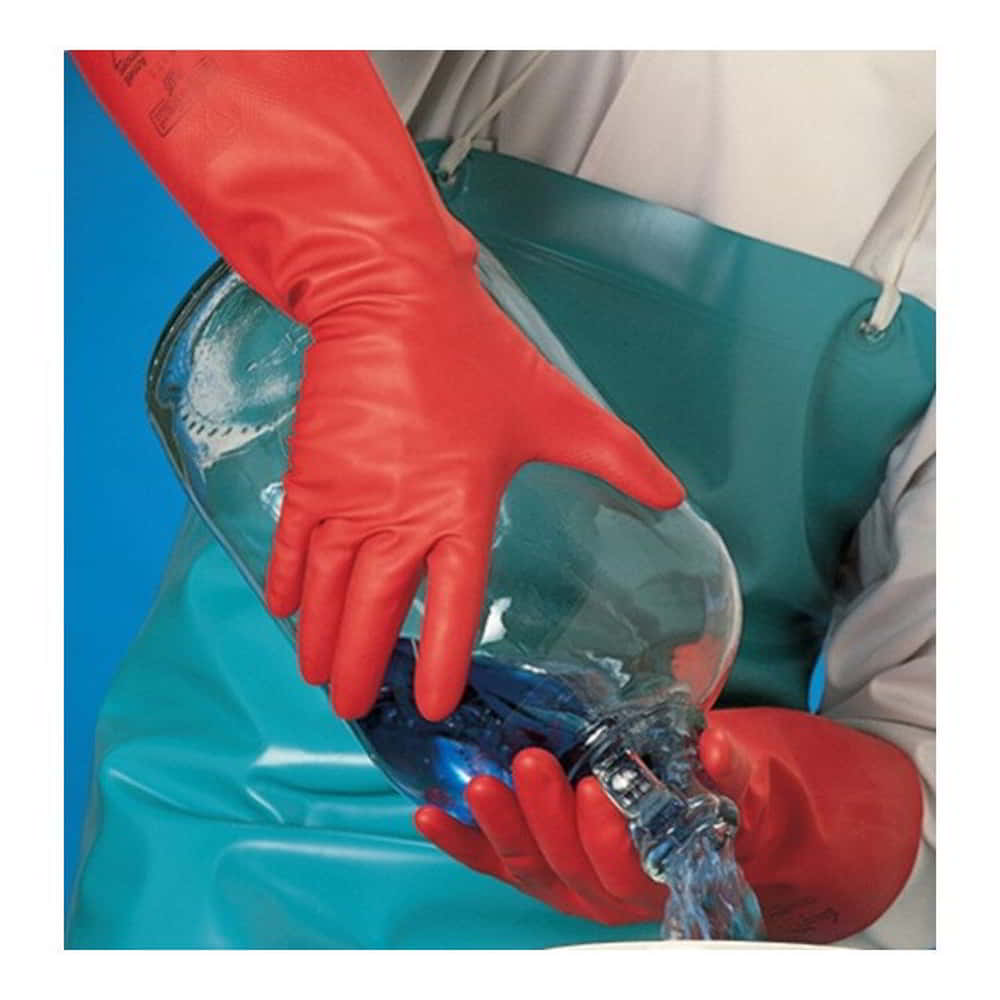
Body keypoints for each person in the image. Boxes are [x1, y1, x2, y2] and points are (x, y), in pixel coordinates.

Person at [67, 50, 934, 949]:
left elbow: (939, 767)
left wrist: (773, 818)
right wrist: (376, 280)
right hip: (225, 872)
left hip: (620, 916)